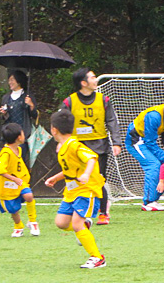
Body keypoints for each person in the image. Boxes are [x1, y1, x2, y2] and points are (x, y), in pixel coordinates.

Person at [45, 110, 106, 269]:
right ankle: (84, 226)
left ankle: (97, 257)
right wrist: (56, 178)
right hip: (72, 191)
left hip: (86, 190)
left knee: (77, 224)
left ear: (54, 130)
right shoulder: (63, 147)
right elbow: (70, 169)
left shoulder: (74, 144)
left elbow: (91, 158)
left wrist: (86, 174)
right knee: (61, 223)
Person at [61, 67, 121, 225]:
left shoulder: (103, 100)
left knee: (98, 179)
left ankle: (103, 212)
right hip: (77, 147)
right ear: (83, 83)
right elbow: (61, 121)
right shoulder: (69, 102)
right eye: (92, 77)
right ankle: (79, 210)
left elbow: (112, 121)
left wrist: (116, 142)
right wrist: (60, 143)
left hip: (99, 146)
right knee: (77, 179)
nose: (95, 80)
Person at [125, 92, 164, 211]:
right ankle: (148, 202)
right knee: (154, 165)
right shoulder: (154, 116)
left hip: (147, 142)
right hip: (136, 140)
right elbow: (150, 142)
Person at [0, 123, 40, 237]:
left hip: (20, 182)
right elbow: (0, 170)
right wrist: (14, 179)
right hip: (7, 186)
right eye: (22, 133)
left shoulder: (19, 149)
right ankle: (18, 226)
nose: (24, 135)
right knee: (13, 210)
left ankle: (32, 221)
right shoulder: (5, 153)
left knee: (29, 195)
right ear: (19, 137)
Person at [0, 70, 38, 166]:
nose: (10, 82)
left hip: (22, 134)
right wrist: (3, 113)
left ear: (19, 81)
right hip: (8, 134)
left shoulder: (27, 97)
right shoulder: (6, 97)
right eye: (9, 80)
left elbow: (35, 115)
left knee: (20, 161)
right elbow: (4, 118)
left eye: (12, 80)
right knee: (7, 161)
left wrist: (31, 105)